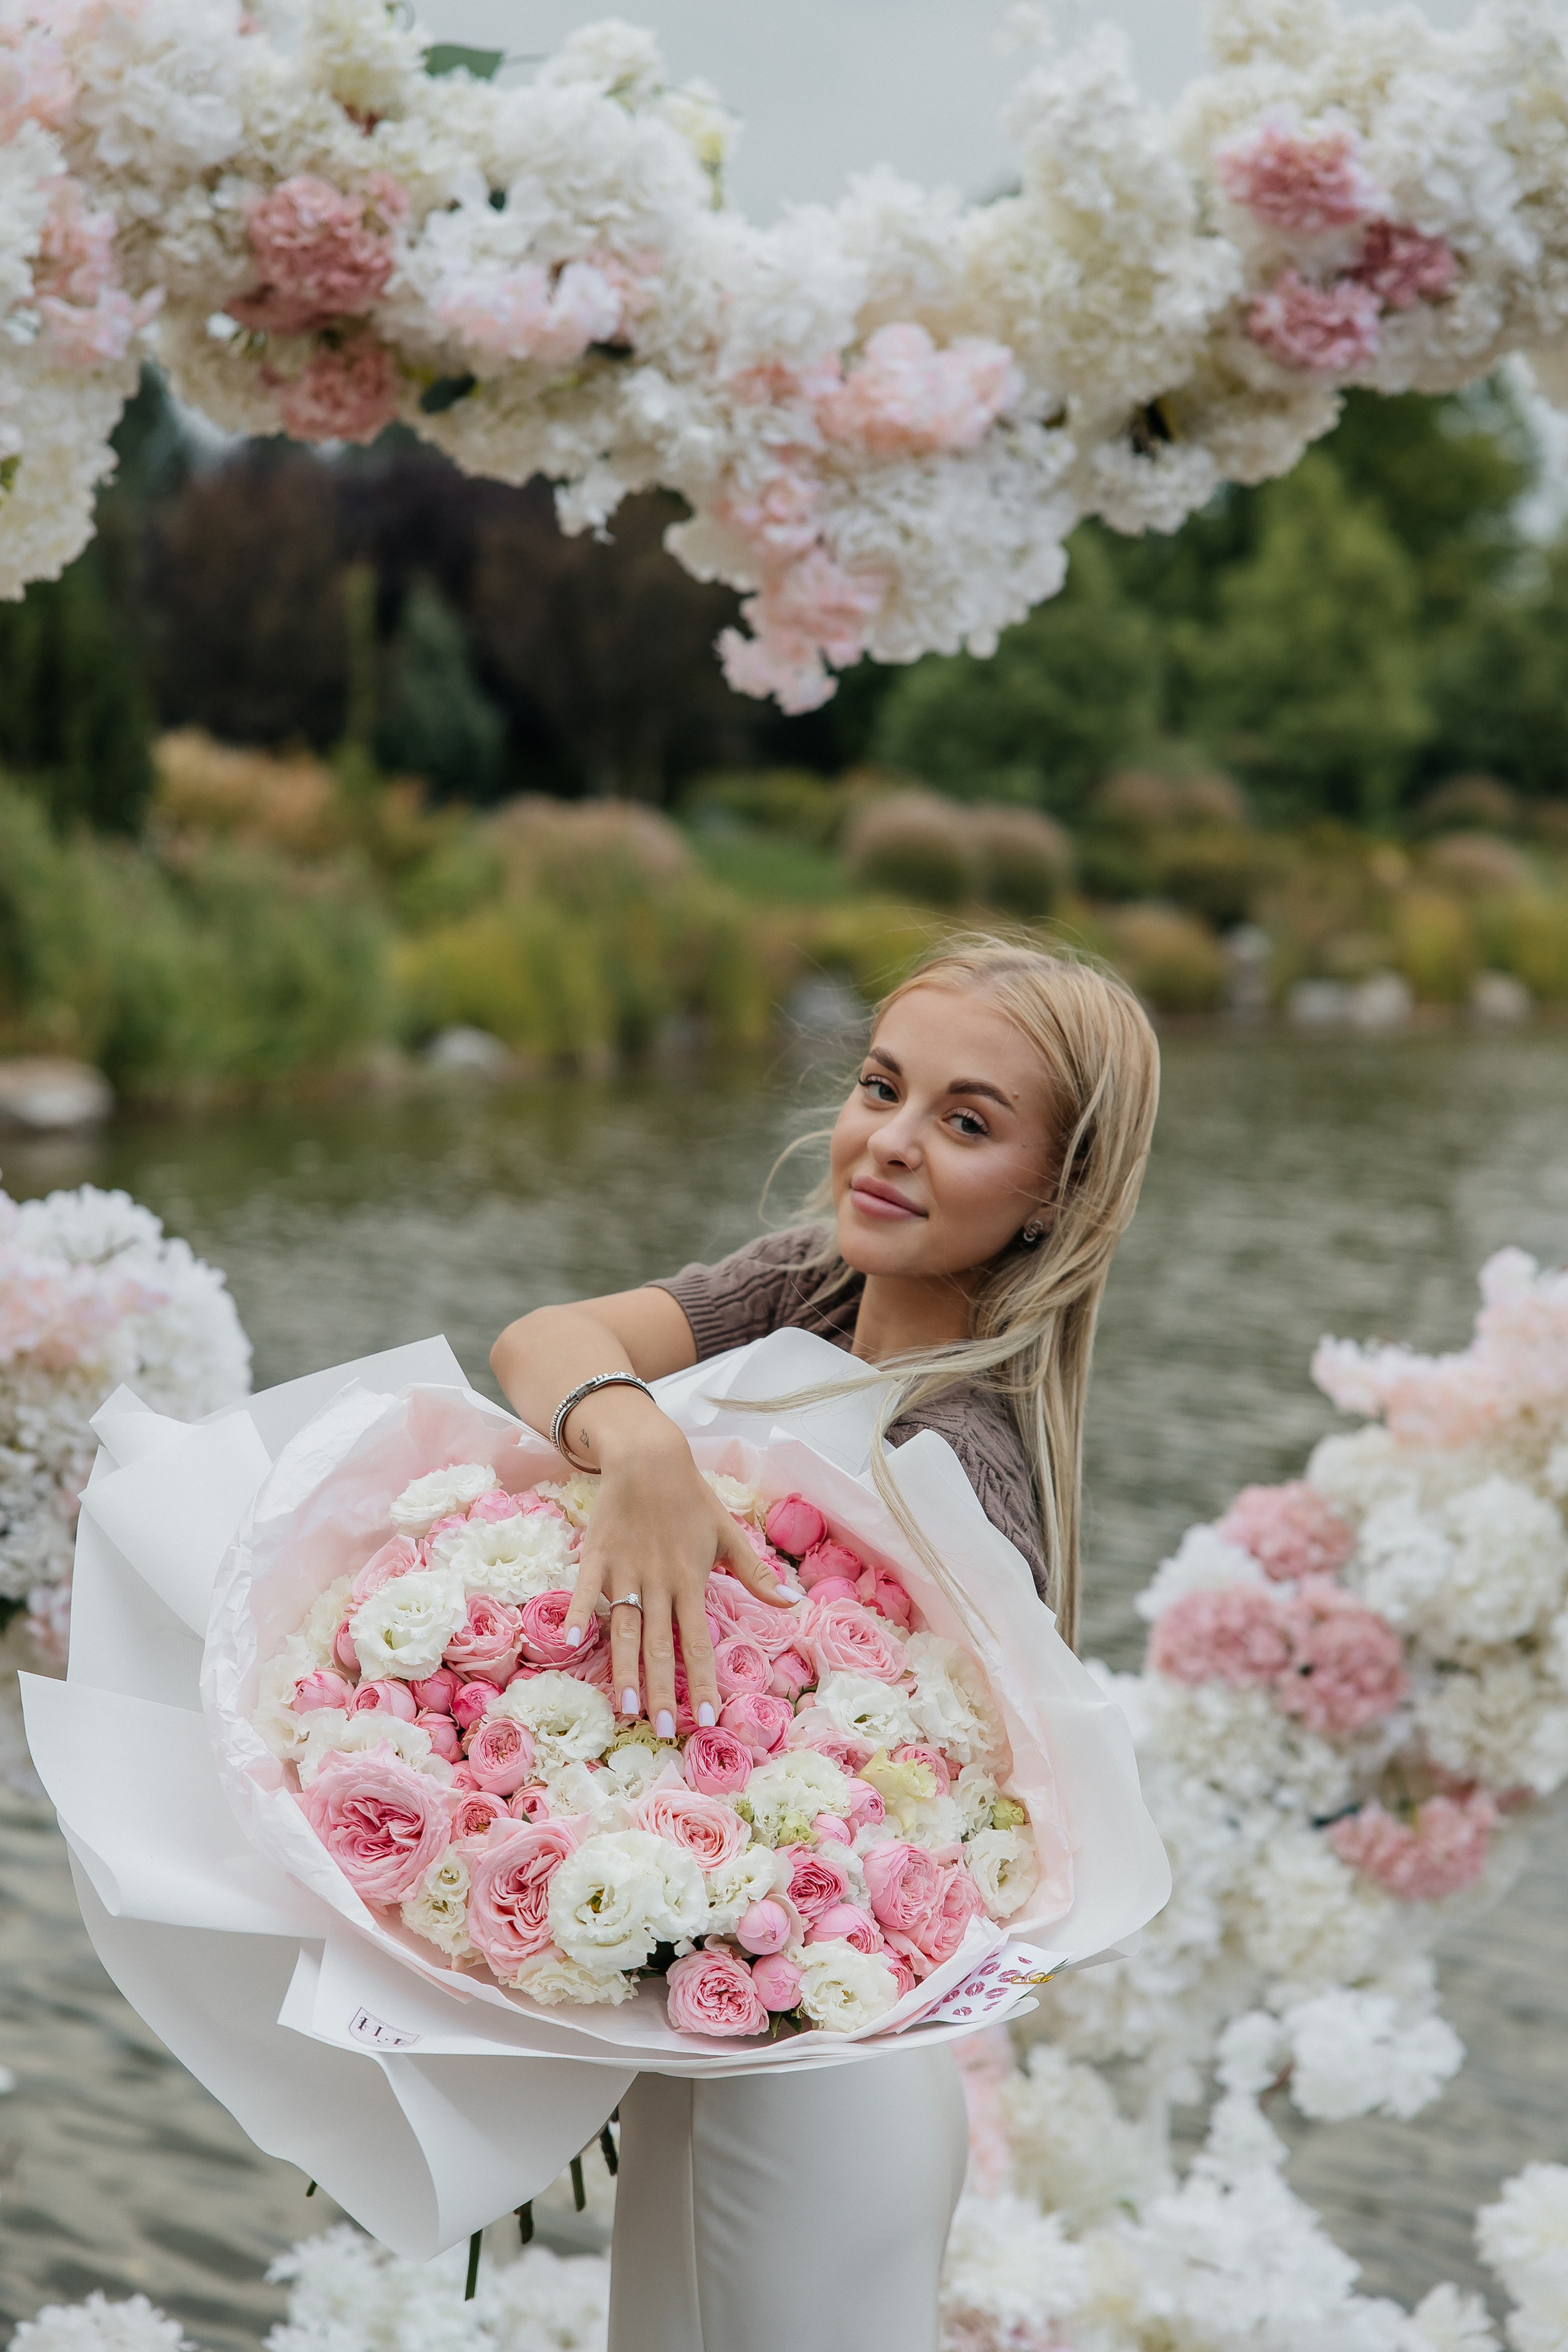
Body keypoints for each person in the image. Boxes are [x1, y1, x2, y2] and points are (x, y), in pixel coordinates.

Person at [489, 937, 1161, 2352]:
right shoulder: (808, 1287)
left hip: (822, 2059)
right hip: (717, 2038)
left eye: (964, 1124)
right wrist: (635, 1439)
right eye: (880, 1087)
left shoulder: (963, 1460)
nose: (890, 1143)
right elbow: (543, 1340)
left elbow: (816, 1800)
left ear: (1052, 1198)